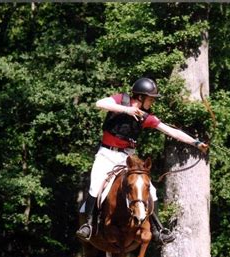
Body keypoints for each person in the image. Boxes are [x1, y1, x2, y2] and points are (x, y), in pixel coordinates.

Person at [77, 77, 209, 244]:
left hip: (127, 159)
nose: (152, 102)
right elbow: (100, 103)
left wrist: (196, 143)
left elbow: (171, 132)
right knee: (96, 186)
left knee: (150, 190)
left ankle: (158, 229)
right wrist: (126, 111)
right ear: (140, 97)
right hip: (106, 155)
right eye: (151, 99)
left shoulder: (146, 117)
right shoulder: (121, 100)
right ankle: (88, 226)